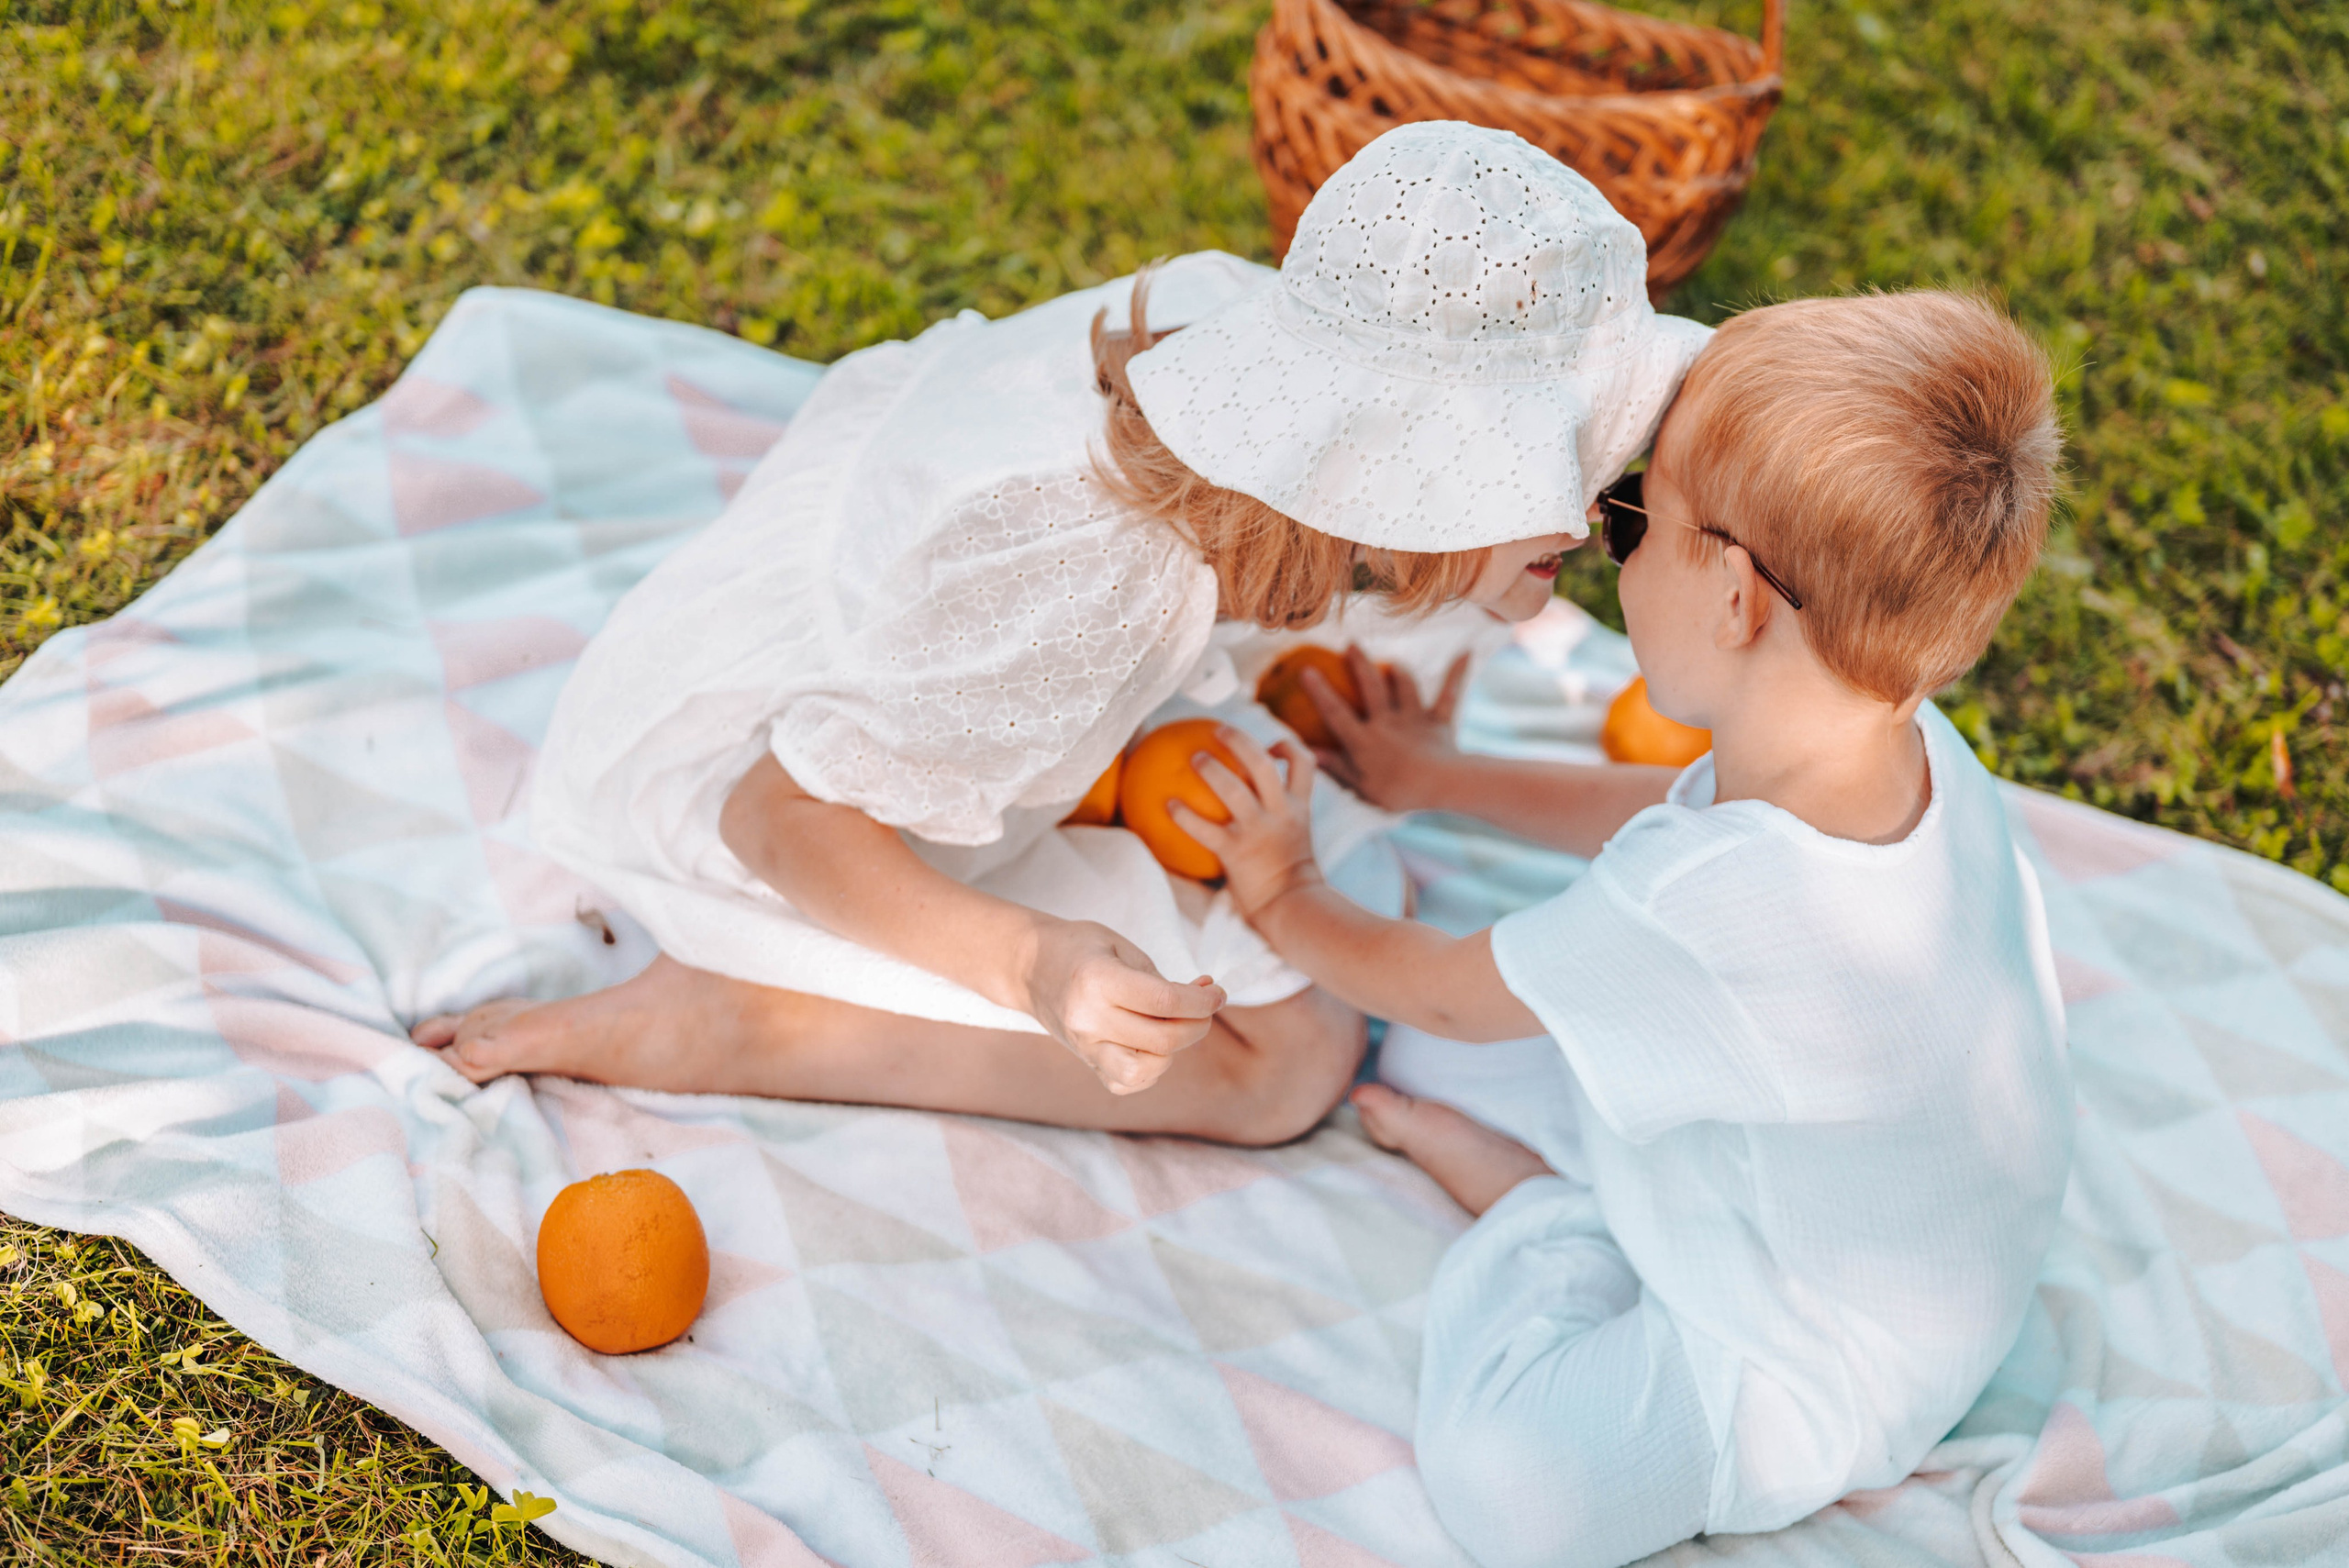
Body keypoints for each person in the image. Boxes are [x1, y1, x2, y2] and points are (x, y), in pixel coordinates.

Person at [409, 121, 1712, 1146]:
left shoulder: (1236, 358)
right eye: (1581, 471)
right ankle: (736, 1018)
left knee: (1339, 767)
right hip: (782, 791)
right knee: (1285, 1064)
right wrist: (1034, 966)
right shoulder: (1094, 580)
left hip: (947, 676)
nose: (1610, 518)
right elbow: (777, 812)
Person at [1173, 290, 2074, 1564]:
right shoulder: (1901, 742)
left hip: (1804, 1369)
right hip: (1932, 1260)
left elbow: (1437, 987)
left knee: (1516, 1487)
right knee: (1519, 1035)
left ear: (1739, 598)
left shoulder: (1713, 908)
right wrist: (1439, 778)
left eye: (1633, 516)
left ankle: (1546, 1215)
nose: (1604, 546)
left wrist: (1280, 888)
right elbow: (1662, 804)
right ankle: (1583, 1190)